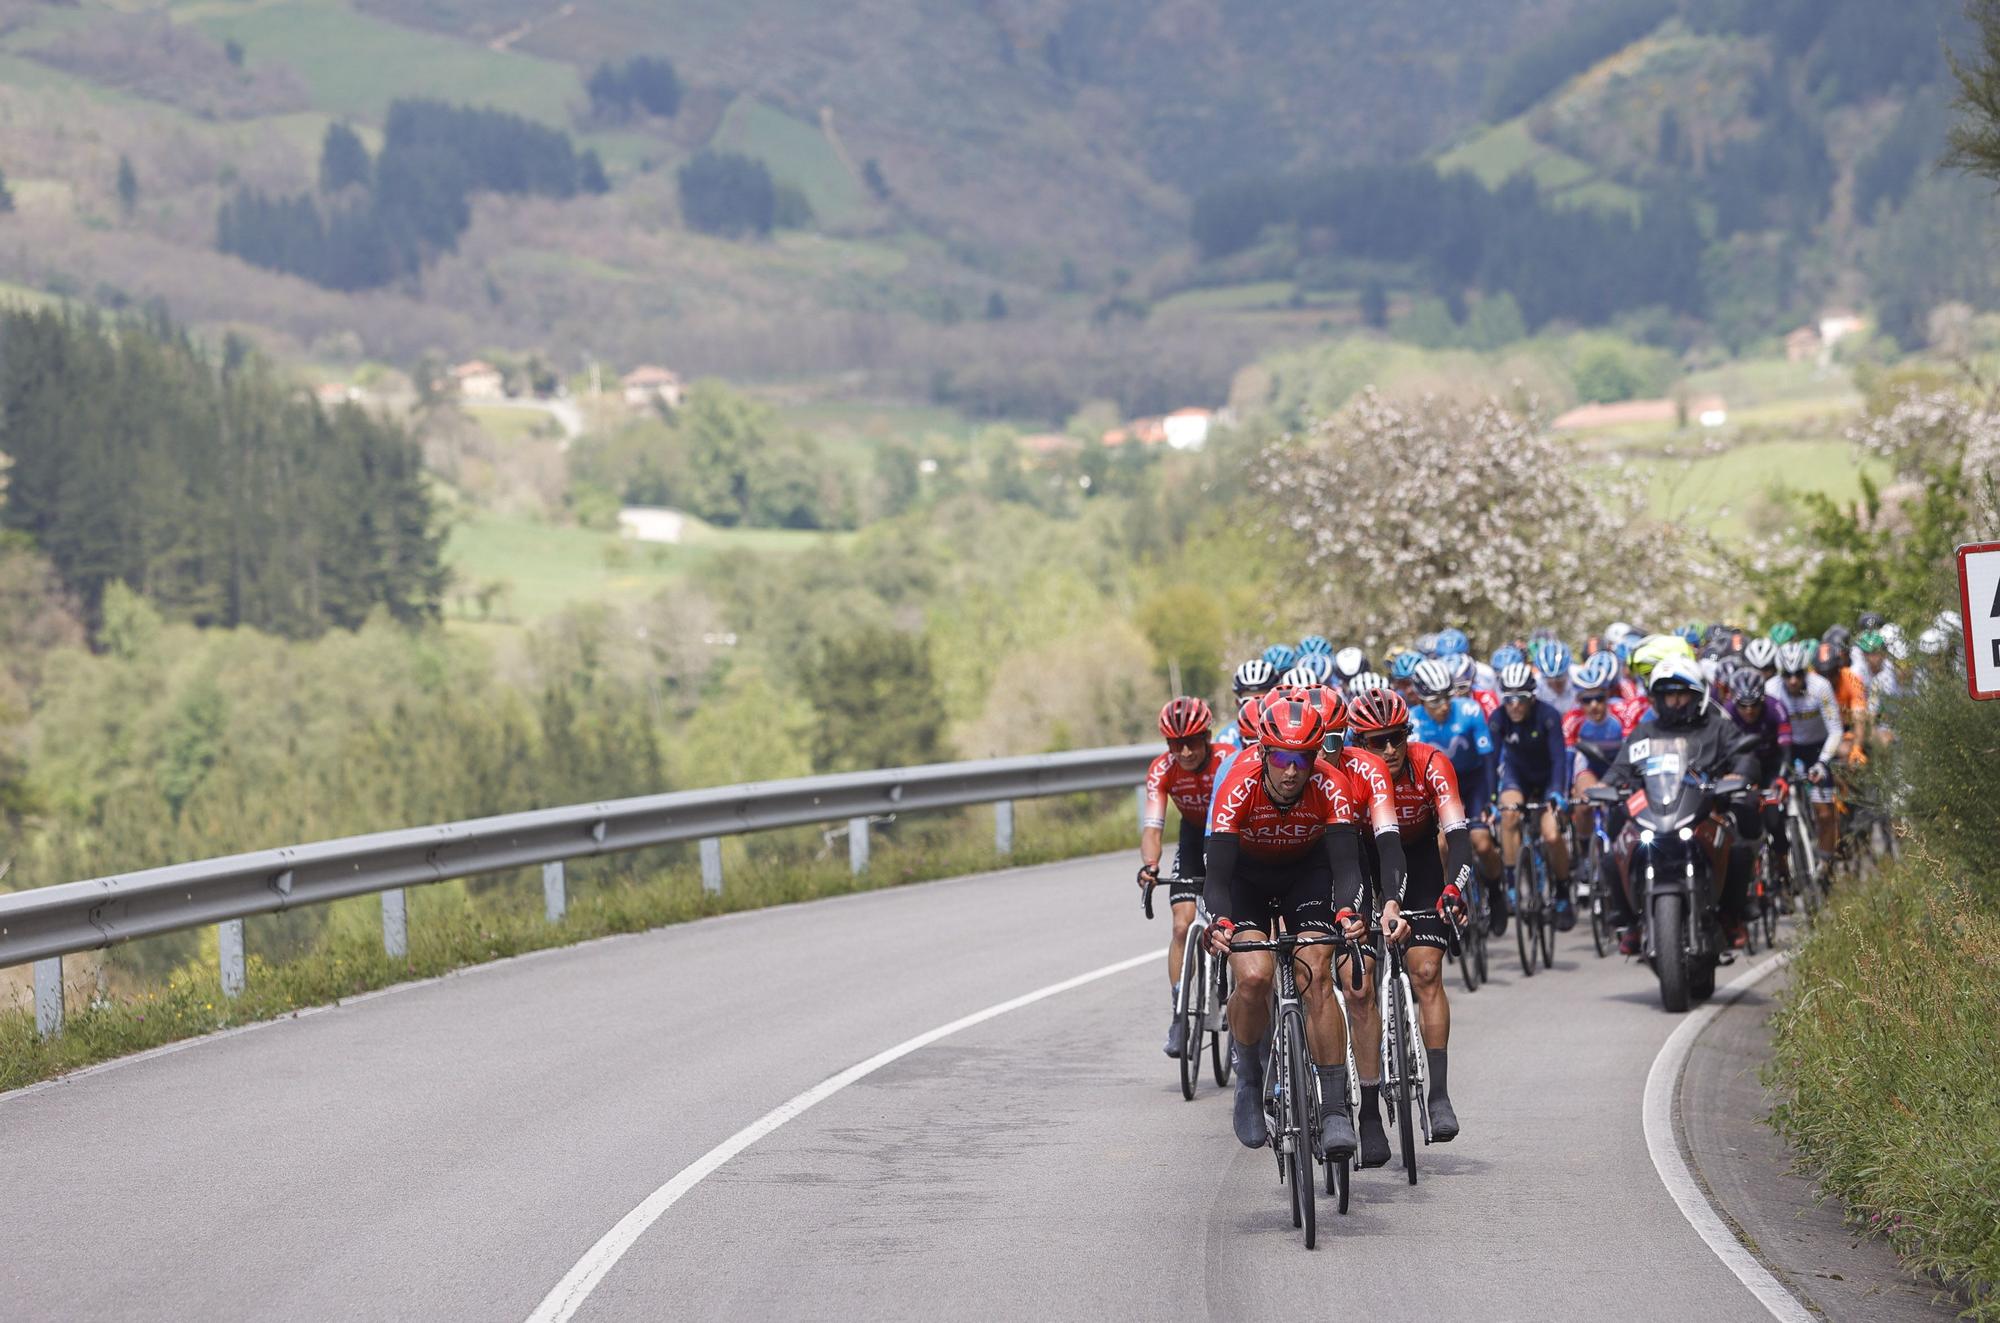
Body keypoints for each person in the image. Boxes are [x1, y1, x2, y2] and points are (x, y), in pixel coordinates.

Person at [1205, 693, 1402, 1161]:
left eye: (1304, 758)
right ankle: (1250, 1082)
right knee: (1253, 976)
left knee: (1314, 971)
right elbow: (1216, 877)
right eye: (1282, 758)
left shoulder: (1330, 785)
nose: (1292, 770)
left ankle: (1335, 1108)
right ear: (1264, 754)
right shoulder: (1238, 785)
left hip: (1307, 875)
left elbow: (1347, 867)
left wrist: (1349, 912)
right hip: (1246, 879)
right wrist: (1220, 921)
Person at [1344, 687, 1474, 1149]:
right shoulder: (1347, 773)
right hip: (1360, 863)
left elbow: (1458, 835)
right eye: (1376, 741)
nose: (1389, 750)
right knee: (1359, 985)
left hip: (1415, 861)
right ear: (1358, 742)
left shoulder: (1431, 763)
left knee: (1426, 971)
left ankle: (1438, 1095)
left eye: (1396, 737)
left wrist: (1453, 886)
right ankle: (1370, 1110)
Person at [1599, 657, 1761, 956]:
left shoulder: (1718, 728)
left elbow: (1744, 757)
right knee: (1612, 856)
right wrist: (1607, 787)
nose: (1674, 702)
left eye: (1681, 694)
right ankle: (1630, 924)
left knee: (1738, 850)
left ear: (1697, 695)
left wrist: (1739, 774)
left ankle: (1731, 917)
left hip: (1704, 813)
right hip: (1654, 817)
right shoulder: (1644, 733)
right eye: (1667, 695)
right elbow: (1619, 770)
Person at [1139, 697, 1228, 1057]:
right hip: (1192, 839)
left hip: (1228, 838)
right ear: (1167, 745)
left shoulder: (1226, 759)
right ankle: (1180, 1014)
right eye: (1177, 744)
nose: (1187, 751)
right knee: (1181, 926)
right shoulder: (1162, 770)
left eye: (1193, 741)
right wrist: (1150, 865)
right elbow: (1153, 826)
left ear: (1207, 736)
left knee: (1229, 921)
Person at [1409, 657, 1502, 927]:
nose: (1445, 706)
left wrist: (1490, 800)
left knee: (1482, 843)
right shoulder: (1413, 722)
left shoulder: (1470, 710)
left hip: (1472, 783)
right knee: (1439, 845)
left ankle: (1495, 893)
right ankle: (1446, 902)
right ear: (1421, 700)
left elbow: (1488, 761)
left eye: (1447, 697)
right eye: (1435, 701)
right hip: (1437, 788)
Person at [1491, 660, 1574, 929]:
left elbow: (1559, 759)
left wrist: (1558, 793)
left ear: (1532, 697)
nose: (1514, 704)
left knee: (1551, 834)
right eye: (1509, 698)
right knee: (1509, 816)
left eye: (1521, 698)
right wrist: (1492, 799)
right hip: (1518, 777)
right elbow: (1491, 763)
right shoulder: (1498, 718)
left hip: (1548, 776)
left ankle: (1563, 891)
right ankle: (1513, 878)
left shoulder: (1548, 715)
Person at [1769, 641, 1842, 873]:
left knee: (1824, 812)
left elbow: (1836, 730)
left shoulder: (1820, 687)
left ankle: (1826, 862)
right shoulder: (1771, 689)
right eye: (1787, 675)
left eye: (1798, 674)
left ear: (1806, 671)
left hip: (1817, 748)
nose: (1793, 680)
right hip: (1788, 749)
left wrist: (1822, 762)